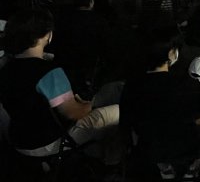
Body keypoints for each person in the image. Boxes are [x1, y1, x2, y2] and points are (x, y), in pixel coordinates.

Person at [0, 8, 120, 160]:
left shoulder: (6, 68)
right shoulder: (49, 72)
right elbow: (74, 113)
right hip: (47, 143)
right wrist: (89, 105)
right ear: (47, 35)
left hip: (18, 139)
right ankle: (111, 161)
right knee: (118, 112)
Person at [120, 26, 200, 175]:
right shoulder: (184, 83)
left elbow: (125, 124)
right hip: (185, 149)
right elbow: (199, 118)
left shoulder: (132, 85)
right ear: (171, 54)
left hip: (149, 148)